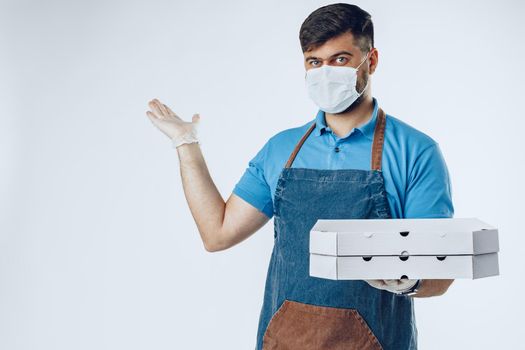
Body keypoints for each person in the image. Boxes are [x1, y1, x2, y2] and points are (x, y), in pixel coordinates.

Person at [146, 3, 455, 349]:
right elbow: (217, 234)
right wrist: (186, 144)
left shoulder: (416, 152)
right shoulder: (281, 150)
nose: (325, 72)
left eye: (340, 59)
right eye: (314, 62)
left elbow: (440, 272)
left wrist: (408, 282)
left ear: (371, 60)